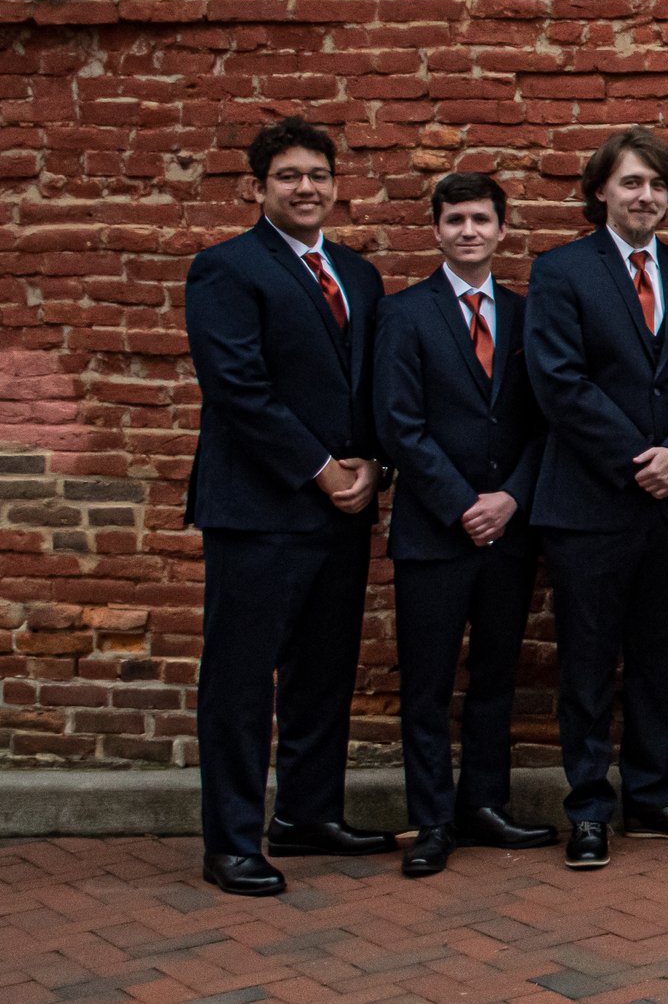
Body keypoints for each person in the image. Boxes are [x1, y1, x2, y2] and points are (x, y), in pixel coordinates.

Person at [184, 116, 392, 896]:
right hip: (258, 509)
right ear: (258, 187)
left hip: (342, 509)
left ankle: (308, 814)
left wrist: (371, 462)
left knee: (323, 672)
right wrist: (319, 469)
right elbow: (237, 388)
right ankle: (231, 841)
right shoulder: (225, 268)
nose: (306, 188)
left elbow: (370, 385)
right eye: (289, 176)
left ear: (336, 185)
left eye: (318, 175)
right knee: (241, 681)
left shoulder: (359, 275)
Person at [524, 126, 668, 870]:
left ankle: (652, 796)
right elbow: (558, 381)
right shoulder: (560, 272)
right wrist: (637, 458)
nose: (646, 196)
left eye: (657, 184)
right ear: (600, 190)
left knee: (658, 657)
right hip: (590, 501)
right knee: (586, 660)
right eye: (631, 182)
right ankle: (587, 809)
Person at [372, 172, 558, 878]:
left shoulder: (526, 314)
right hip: (435, 530)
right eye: (455, 220)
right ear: (437, 230)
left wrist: (510, 498)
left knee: (495, 675)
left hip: (509, 527)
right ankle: (432, 819)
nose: (469, 231)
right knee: (427, 681)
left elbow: (546, 419)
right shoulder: (403, 314)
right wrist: (461, 504)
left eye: (481, 219)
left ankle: (484, 803)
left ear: (503, 229)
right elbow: (399, 423)